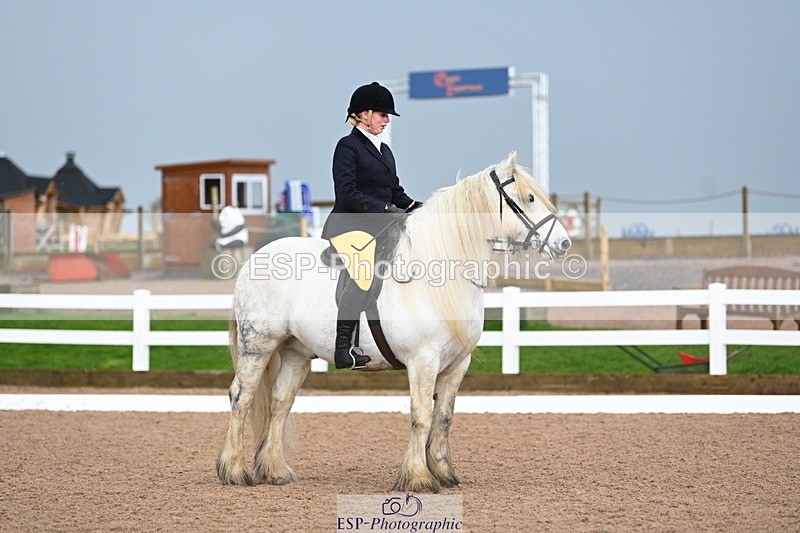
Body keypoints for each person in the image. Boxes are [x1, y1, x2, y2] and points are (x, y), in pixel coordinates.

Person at [321, 82, 422, 370]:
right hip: (350, 225)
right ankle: (343, 348)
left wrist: (419, 208)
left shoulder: (385, 151)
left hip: (381, 226)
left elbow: (395, 192)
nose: (387, 120)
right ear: (364, 114)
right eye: (382, 115)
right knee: (364, 272)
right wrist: (385, 209)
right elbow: (346, 193)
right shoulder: (347, 146)